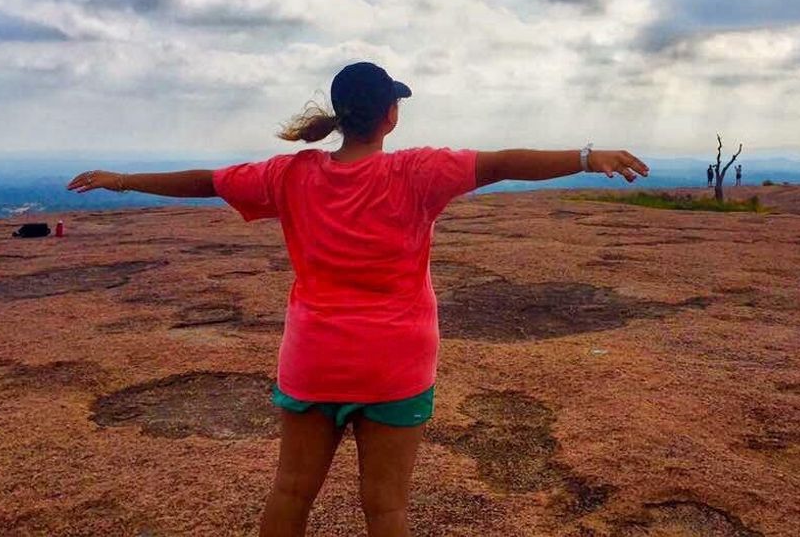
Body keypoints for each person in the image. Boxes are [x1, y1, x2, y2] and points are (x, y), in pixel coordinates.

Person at [67, 62, 650, 537]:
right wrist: (583, 156)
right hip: (395, 363)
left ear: (340, 116)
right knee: (387, 510)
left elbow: (207, 181)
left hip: (314, 361)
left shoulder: (289, 176)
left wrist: (121, 179)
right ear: (390, 117)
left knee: (290, 493)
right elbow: (500, 164)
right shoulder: (417, 172)